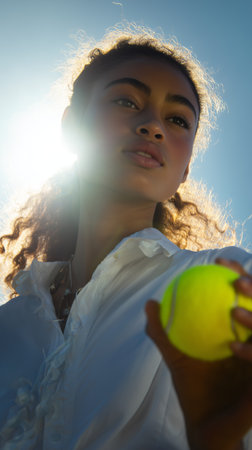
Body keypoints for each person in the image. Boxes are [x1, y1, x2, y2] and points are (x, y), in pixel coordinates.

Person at [0, 24, 251, 450]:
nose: (153, 126)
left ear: (185, 167)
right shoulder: (10, 326)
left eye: (177, 119)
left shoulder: (231, 279)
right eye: (126, 101)